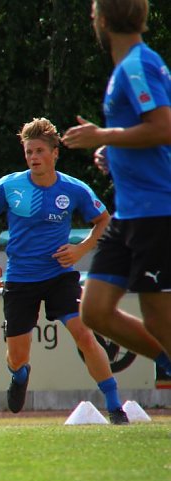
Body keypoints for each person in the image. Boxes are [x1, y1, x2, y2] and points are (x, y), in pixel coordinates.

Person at [0, 118, 128, 423]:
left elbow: (104, 221)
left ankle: (115, 406)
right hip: (20, 278)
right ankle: (20, 374)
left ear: (54, 153)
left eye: (39, 151)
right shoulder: (10, 185)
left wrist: (81, 249)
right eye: (28, 152)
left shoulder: (74, 189)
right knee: (17, 356)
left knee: (84, 335)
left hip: (60, 275)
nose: (33, 157)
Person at [61, 0, 171, 389]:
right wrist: (113, 148)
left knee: (158, 318)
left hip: (156, 211)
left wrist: (101, 135)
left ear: (104, 20)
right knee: (95, 311)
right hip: (129, 214)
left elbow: (163, 127)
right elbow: (144, 131)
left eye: (93, 14)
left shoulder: (137, 65)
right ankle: (167, 361)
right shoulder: (129, 66)